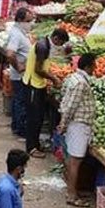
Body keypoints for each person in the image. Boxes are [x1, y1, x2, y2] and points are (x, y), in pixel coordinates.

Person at [58, 53, 96, 207]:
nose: (95, 68)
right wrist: (64, 124)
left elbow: (65, 99)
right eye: (94, 65)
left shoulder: (74, 78)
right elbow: (71, 106)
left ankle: (72, 190)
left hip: (76, 125)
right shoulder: (81, 83)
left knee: (72, 159)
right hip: (78, 125)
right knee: (76, 161)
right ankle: (72, 195)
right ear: (87, 66)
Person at [24, 28, 69, 157]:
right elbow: (38, 69)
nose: (60, 46)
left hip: (39, 84)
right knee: (34, 118)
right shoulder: (43, 47)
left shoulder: (45, 44)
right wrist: (53, 78)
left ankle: (36, 144)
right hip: (33, 84)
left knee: (39, 117)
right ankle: (31, 148)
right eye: (60, 43)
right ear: (56, 39)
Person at [4, 8, 34, 141]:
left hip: (22, 74)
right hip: (20, 75)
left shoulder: (21, 32)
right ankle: (21, 130)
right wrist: (18, 66)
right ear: (21, 20)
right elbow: (10, 54)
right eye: (28, 21)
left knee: (18, 100)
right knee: (21, 101)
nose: (30, 23)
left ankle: (17, 127)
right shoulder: (16, 34)